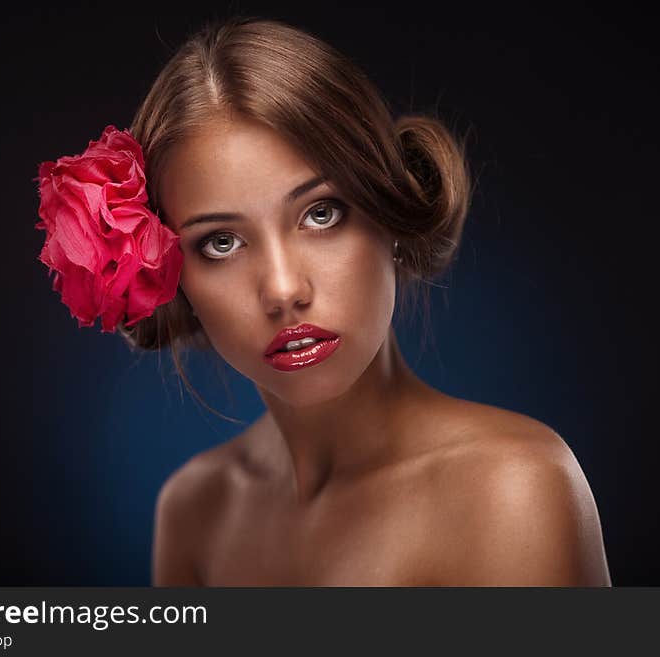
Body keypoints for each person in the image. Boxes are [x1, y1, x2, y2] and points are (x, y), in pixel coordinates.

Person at [38, 15, 612, 586]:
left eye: (321, 213)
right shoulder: (194, 512)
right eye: (222, 242)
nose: (283, 289)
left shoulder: (513, 489)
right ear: (169, 273)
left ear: (388, 203)